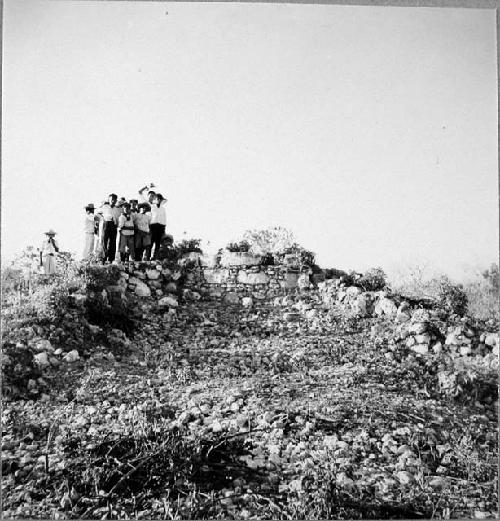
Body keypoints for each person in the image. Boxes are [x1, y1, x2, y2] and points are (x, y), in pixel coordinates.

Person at [98, 194, 121, 263]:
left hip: (113, 225)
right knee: (104, 241)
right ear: (109, 200)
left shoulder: (117, 209)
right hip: (106, 223)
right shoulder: (104, 206)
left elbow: (118, 217)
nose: (113, 201)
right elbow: (98, 214)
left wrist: (116, 224)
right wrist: (102, 219)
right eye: (112, 199)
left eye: (114, 200)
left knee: (113, 242)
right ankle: (103, 258)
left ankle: (111, 259)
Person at [149, 193, 167, 260]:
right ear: (155, 199)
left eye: (160, 199)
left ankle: (155, 258)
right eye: (157, 199)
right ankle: (147, 257)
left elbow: (164, 219)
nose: (159, 200)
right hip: (153, 226)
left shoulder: (163, 209)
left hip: (160, 227)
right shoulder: (152, 206)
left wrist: (164, 229)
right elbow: (149, 217)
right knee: (150, 243)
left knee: (158, 244)